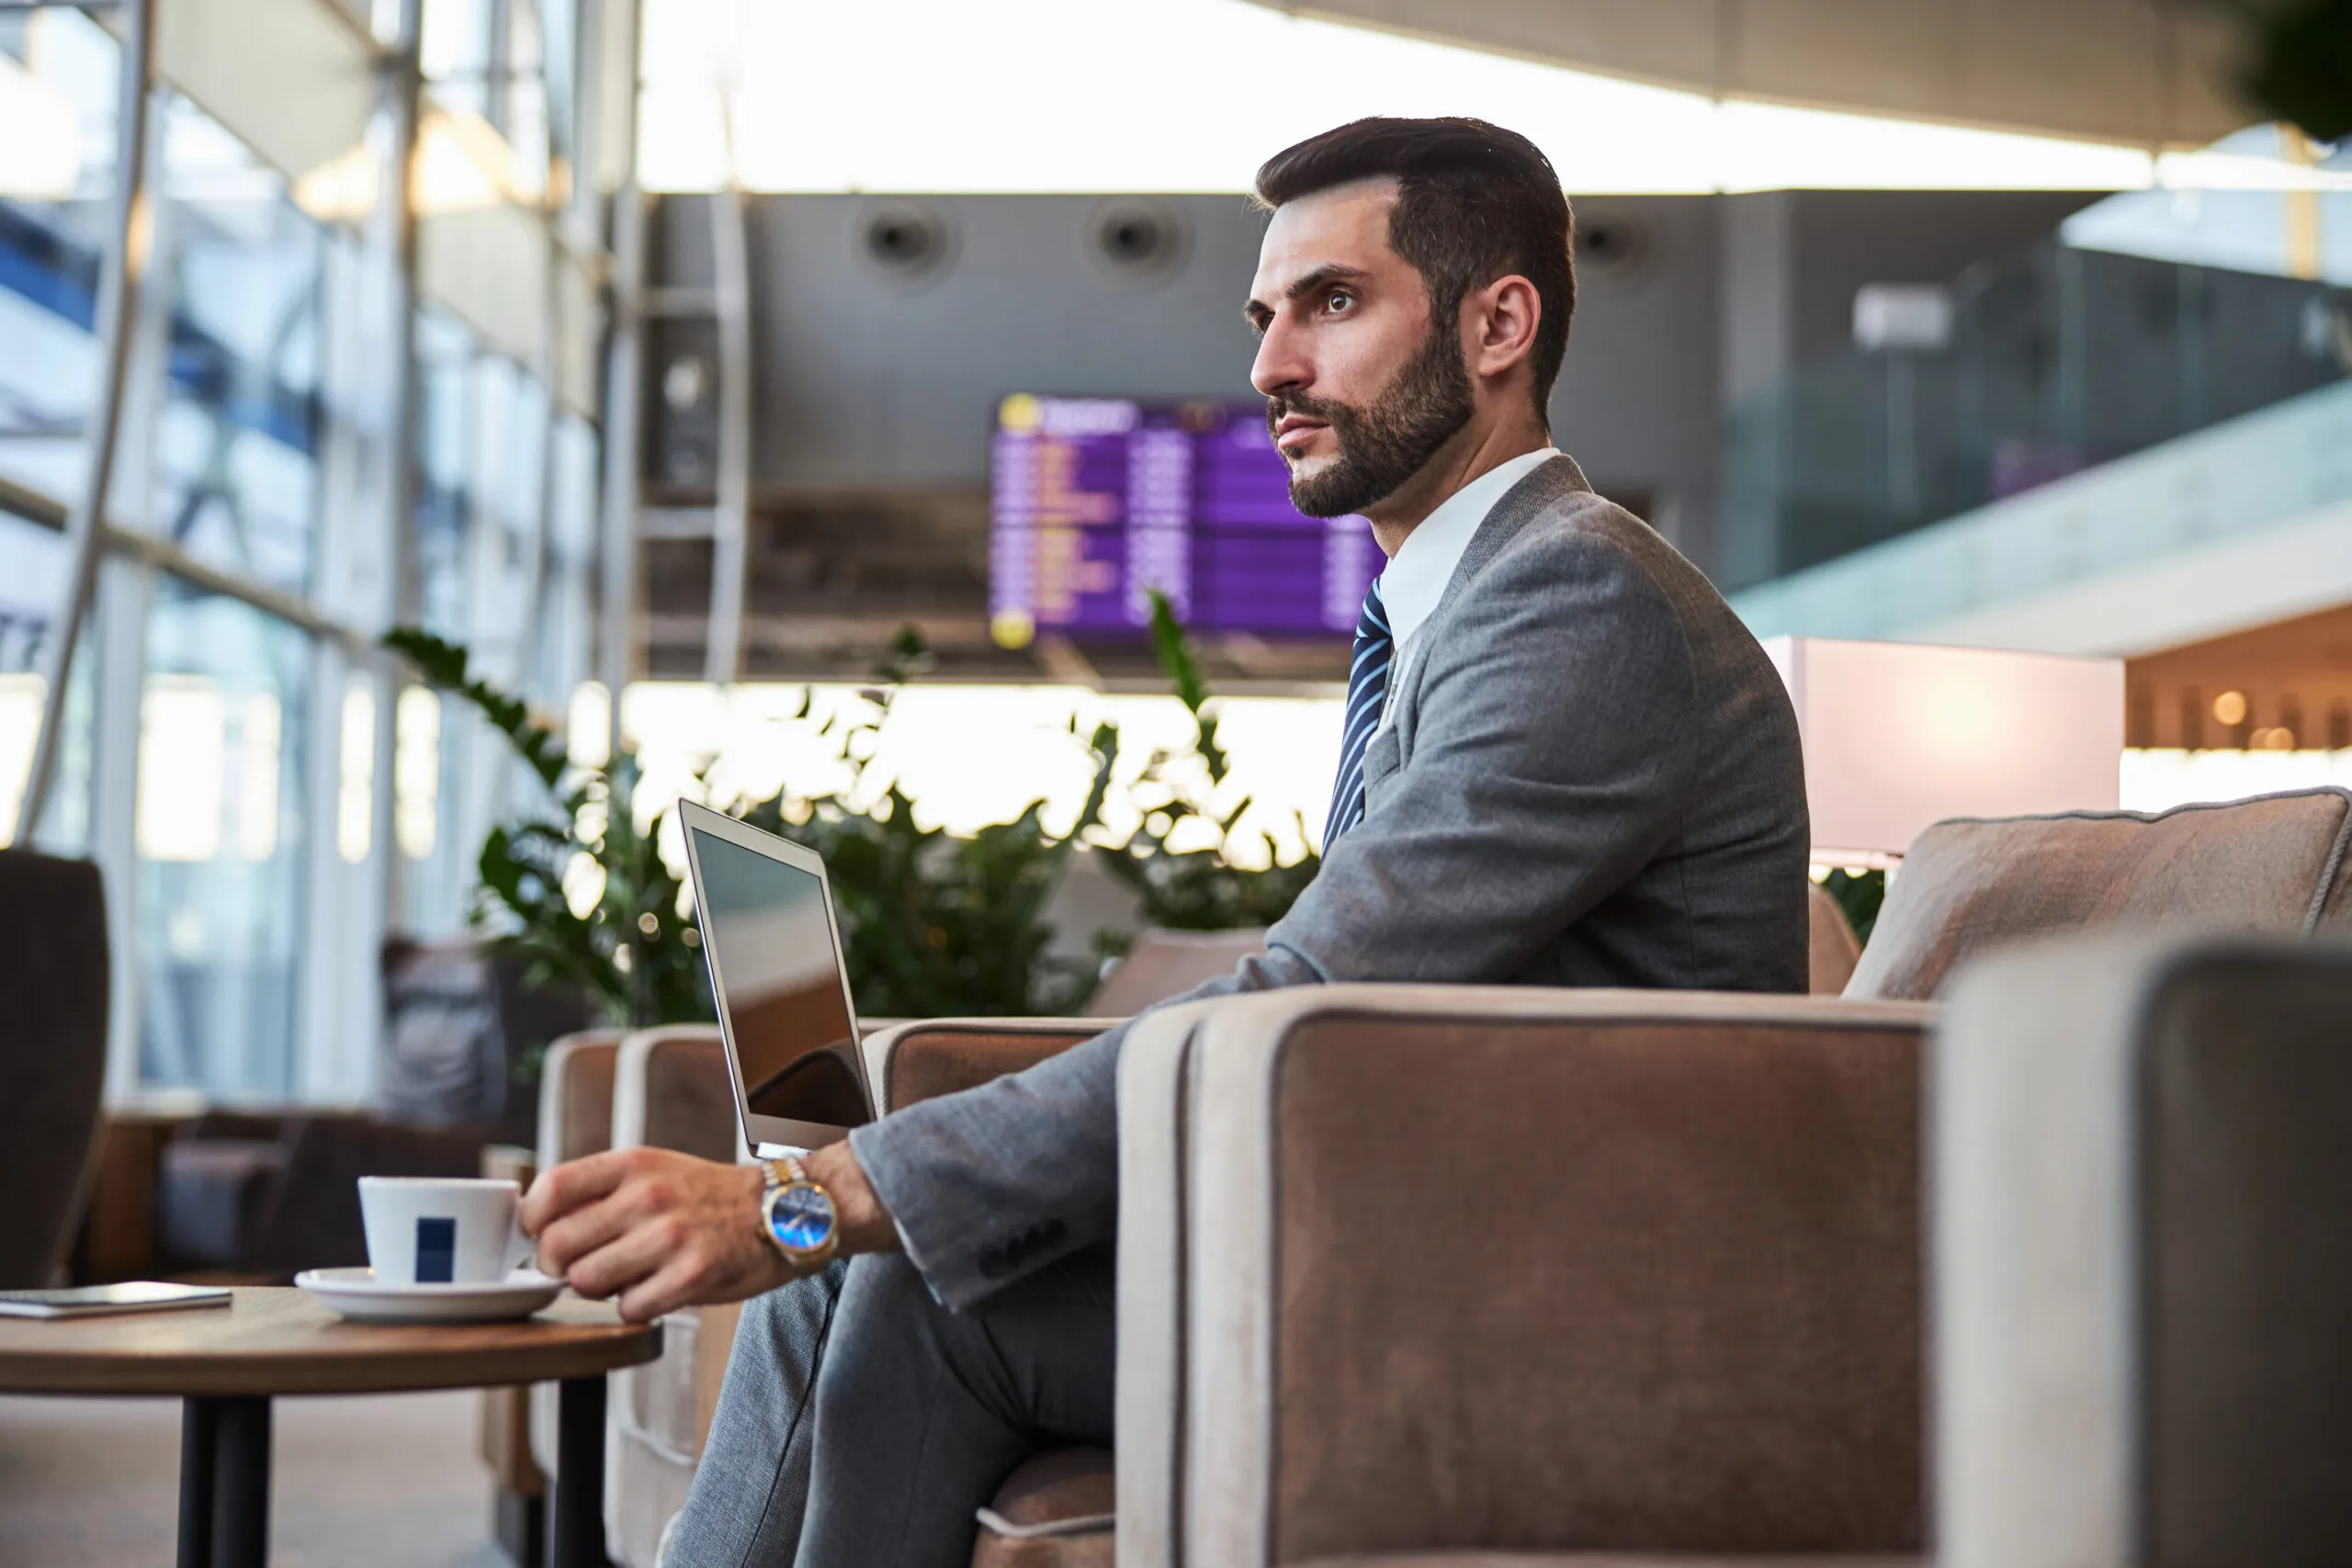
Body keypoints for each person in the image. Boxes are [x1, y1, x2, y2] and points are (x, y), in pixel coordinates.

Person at [520, 115, 1810, 1568]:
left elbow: (1302, 1000)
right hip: (1436, 1224)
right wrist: (846, 1199)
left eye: (1333, 303)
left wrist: (811, 1195)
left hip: (1573, 1293)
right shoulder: (1472, 605)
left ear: (1498, 320)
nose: (1270, 366)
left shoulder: (1578, 607)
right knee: (877, 1263)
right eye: (1265, 316)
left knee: (890, 1275)